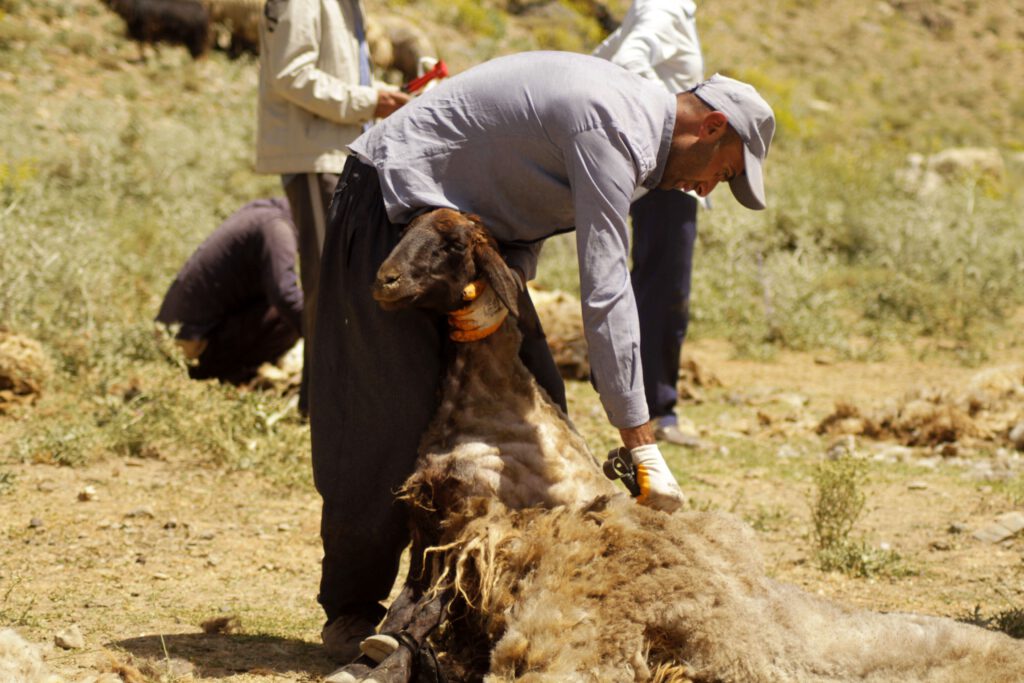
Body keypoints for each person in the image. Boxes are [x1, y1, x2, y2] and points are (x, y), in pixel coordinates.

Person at [311, 51, 775, 662]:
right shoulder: (615, 127)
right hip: (392, 206)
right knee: (389, 415)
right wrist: (640, 441)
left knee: (540, 410)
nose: (709, 187)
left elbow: (520, 210)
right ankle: (352, 610)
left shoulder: (637, 145)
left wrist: (501, 288)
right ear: (712, 127)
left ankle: (505, 600)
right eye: (724, 172)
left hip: (461, 237)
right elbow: (607, 291)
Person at [255, 0, 410, 414]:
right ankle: (324, 404)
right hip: (314, 155)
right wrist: (367, 101)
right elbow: (291, 73)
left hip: (337, 152)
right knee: (329, 281)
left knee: (341, 278)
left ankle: (329, 399)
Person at [593, 0, 706, 447]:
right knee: (666, 287)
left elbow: (602, 59)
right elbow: (624, 63)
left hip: (661, 163)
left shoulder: (656, 7)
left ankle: (638, 397)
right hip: (668, 166)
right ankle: (657, 409)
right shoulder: (665, 7)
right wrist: (666, 126)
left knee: (654, 282)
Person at [155, 197, 303, 385]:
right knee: (294, 314)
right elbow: (286, 297)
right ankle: (235, 377)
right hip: (191, 349)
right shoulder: (277, 228)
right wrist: (324, 340)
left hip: (174, 337)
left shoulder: (262, 213)